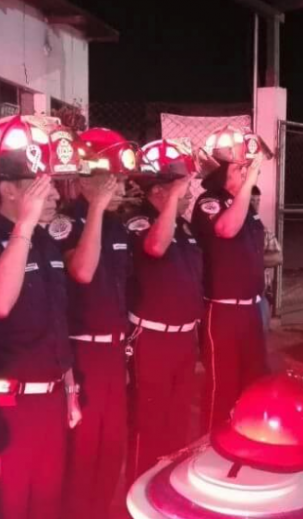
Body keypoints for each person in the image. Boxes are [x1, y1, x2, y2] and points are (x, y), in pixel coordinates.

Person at [0, 115, 82, 519]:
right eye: (41, 186)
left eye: (53, 187)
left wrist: (69, 386)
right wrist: (25, 228)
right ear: (8, 190)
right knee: (12, 505)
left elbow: (56, 322)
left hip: (51, 401)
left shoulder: (46, 243)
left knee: (49, 502)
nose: (54, 197)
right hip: (9, 408)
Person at [59, 127, 140, 519]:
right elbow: (82, 271)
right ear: (82, 180)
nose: (120, 187)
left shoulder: (118, 225)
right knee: (84, 450)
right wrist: (94, 209)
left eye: (122, 180)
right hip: (82, 352)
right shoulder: (65, 221)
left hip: (112, 352)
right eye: (111, 179)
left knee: (111, 447)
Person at [125, 140, 203, 481]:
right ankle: (137, 496)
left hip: (184, 340)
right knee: (149, 424)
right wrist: (173, 200)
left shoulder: (184, 227)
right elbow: (156, 247)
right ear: (157, 191)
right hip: (152, 340)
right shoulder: (140, 222)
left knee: (177, 425)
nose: (188, 196)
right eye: (181, 188)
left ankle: (165, 493)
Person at [193, 126, 268, 434]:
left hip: (250, 309)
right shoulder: (208, 202)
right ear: (222, 174)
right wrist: (249, 182)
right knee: (222, 387)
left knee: (254, 383)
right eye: (240, 168)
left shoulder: (245, 207)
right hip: (222, 312)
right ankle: (209, 447)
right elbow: (226, 229)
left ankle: (247, 443)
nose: (247, 171)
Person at [251, 186, 283, 333]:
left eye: (258, 201)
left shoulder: (263, 230)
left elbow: (277, 257)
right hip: (239, 296)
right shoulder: (233, 227)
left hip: (260, 293)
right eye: (251, 200)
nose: (255, 204)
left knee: (261, 336)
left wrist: (248, 259)